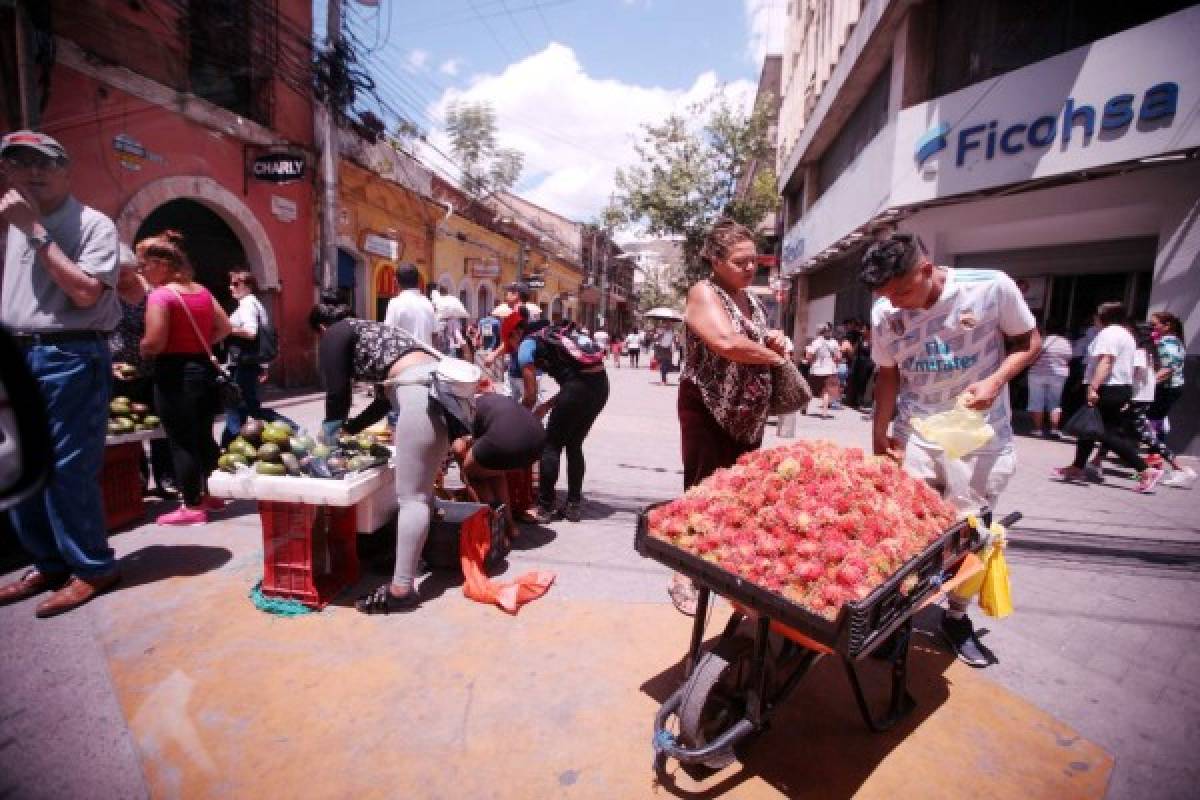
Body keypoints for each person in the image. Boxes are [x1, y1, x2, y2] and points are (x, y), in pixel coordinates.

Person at [861, 232, 1040, 667]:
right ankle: (894, 616)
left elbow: (1029, 343)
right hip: (916, 432)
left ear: (928, 268)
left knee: (970, 532)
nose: (894, 302)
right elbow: (888, 375)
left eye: (902, 290)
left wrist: (996, 382)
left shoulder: (990, 287)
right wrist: (879, 433)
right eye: (886, 294)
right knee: (901, 531)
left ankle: (955, 618)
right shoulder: (886, 309)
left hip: (980, 435)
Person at [0, 130, 123, 617]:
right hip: (16, 353)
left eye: (43, 162)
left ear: (66, 170)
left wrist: (34, 229)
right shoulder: (11, 226)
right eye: (18, 162)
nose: (32, 171)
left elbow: (86, 293)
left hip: (68, 355)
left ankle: (93, 567)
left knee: (67, 468)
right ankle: (48, 563)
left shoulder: (93, 224)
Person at [670, 217, 791, 615]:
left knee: (738, 490)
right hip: (708, 405)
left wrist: (774, 340)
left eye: (754, 260)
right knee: (702, 488)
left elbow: (753, 338)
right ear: (716, 260)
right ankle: (684, 573)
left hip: (747, 412)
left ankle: (719, 565)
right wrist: (774, 357)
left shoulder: (751, 300)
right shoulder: (704, 293)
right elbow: (724, 341)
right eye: (741, 261)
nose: (749, 268)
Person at [310, 296, 452, 615]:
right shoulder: (374, 332)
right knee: (423, 492)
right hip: (441, 395)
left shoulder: (335, 333)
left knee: (412, 497)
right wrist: (354, 427)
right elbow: (385, 402)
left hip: (418, 396)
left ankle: (401, 590)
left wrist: (330, 432)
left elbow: (337, 392)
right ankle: (415, 557)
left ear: (321, 328)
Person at [137, 231, 233, 525]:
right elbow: (225, 327)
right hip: (203, 369)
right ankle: (214, 495)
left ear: (162, 264)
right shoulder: (202, 291)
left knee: (180, 440)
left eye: (144, 265)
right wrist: (199, 342)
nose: (142, 271)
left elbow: (153, 342)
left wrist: (141, 349)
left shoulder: (161, 295)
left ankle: (192, 505)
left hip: (174, 373)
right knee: (203, 436)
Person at [502, 311, 609, 524]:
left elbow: (530, 396)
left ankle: (544, 507)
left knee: (550, 445)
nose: (512, 349)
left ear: (516, 334)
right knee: (574, 443)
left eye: (509, 342)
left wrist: (519, 420)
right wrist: (548, 406)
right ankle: (573, 504)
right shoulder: (551, 335)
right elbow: (576, 381)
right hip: (601, 386)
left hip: (578, 388)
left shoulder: (526, 345)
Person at [1054, 303, 1162, 493]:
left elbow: (1106, 360)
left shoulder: (1109, 333)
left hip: (1108, 388)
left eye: (1096, 315)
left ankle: (1145, 470)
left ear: (1103, 316)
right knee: (1090, 427)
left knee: (1104, 433)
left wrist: (1093, 387)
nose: (1094, 319)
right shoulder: (1125, 334)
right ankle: (1077, 467)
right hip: (1119, 387)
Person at [1090, 323, 1195, 488]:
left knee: (1137, 434)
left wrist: (1126, 398)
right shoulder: (1150, 352)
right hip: (1143, 398)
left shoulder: (1139, 353)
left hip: (1136, 399)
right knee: (1116, 430)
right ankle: (1096, 461)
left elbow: (1133, 377)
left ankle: (1178, 467)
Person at [110, 243, 177, 496]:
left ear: (134, 268)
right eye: (113, 273)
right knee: (127, 426)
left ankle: (166, 477)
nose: (117, 278)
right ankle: (136, 478)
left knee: (160, 425)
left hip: (154, 367)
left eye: (122, 273)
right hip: (117, 368)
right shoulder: (107, 292)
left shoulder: (153, 291)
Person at [449, 385, 546, 547]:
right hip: (538, 440)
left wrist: (463, 471)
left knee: (472, 474)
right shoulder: (494, 399)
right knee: (493, 471)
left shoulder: (466, 408)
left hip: (506, 443)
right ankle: (511, 527)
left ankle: (497, 532)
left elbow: (459, 447)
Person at [221, 269, 298, 447]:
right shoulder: (254, 303)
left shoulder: (248, 304)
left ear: (248, 286)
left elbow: (251, 332)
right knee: (244, 407)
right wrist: (262, 366)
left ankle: (228, 445)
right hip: (247, 363)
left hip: (242, 364)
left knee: (237, 406)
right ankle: (229, 445)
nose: (231, 287)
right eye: (231, 283)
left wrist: (226, 329)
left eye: (236, 284)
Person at [1026, 322, 1073, 438]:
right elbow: (1070, 357)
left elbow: (1030, 356)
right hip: (1058, 375)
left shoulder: (1042, 340)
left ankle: (1038, 429)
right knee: (1055, 402)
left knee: (1036, 401)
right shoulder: (1066, 343)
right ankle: (1054, 429)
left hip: (1037, 374)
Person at [1148, 311, 1186, 447]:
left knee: (1152, 420)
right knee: (1158, 419)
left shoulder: (1166, 342)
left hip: (1166, 387)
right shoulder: (1175, 341)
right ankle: (1156, 454)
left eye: (1153, 325)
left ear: (1167, 325)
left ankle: (1155, 453)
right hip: (1172, 387)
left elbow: (1169, 368)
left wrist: (1150, 383)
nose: (1150, 328)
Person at [383, 263, 436, 347]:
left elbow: (388, 334)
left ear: (396, 282)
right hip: (427, 356)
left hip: (407, 357)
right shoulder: (428, 303)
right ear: (418, 281)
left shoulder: (395, 303)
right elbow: (434, 334)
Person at [805, 323, 841, 417]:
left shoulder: (816, 342)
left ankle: (804, 408)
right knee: (826, 392)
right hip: (830, 369)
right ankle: (824, 413)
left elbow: (808, 356)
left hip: (816, 369)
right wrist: (834, 363)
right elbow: (838, 357)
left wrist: (811, 362)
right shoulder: (834, 342)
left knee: (810, 390)